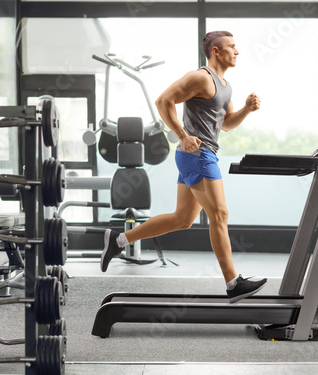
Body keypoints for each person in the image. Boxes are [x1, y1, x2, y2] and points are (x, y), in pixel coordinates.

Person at [101, 31, 267, 303]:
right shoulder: (201, 77)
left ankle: (118, 240)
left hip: (203, 154)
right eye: (232, 47)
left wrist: (246, 109)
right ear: (215, 50)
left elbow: (225, 124)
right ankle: (233, 283)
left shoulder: (225, 85)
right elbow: (163, 100)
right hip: (198, 155)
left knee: (182, 219)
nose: (237, 51)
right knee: (220, 214)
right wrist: (182, 135)